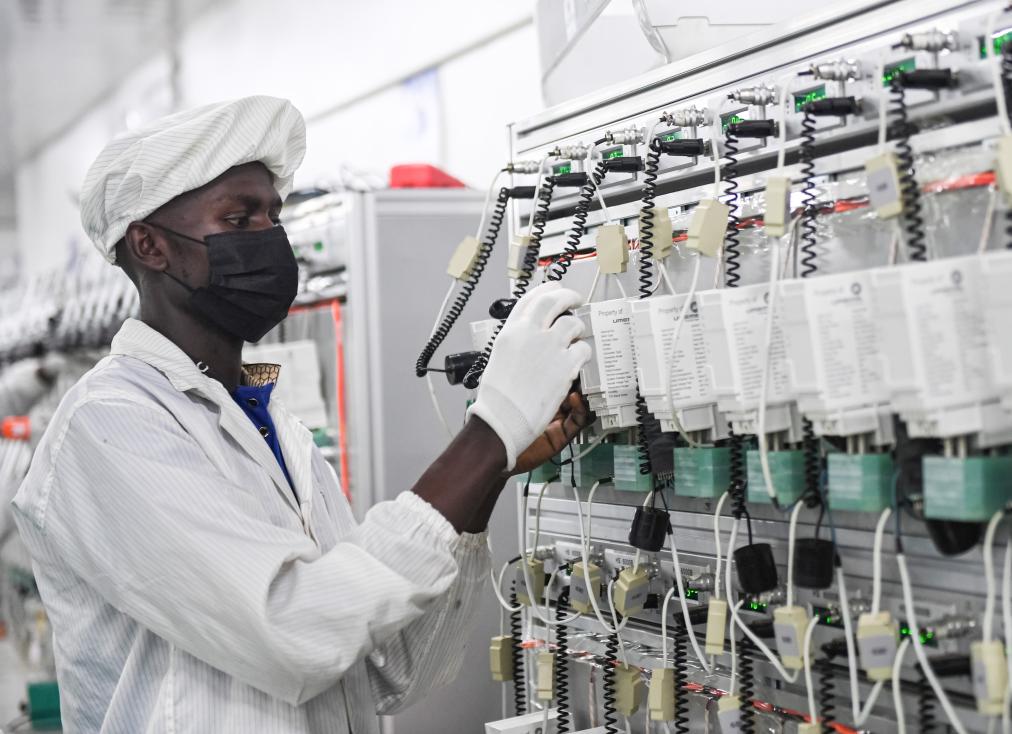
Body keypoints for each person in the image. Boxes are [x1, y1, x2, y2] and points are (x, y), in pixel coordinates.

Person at [11, 96, 592, 733]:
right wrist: (489, 432)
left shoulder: (272, 425)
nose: (270, 239)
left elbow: (387, 667)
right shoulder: (109, 426)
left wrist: (492, 472)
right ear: (150, 246)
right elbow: (293, 629)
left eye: (272, 216)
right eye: (239, 218)